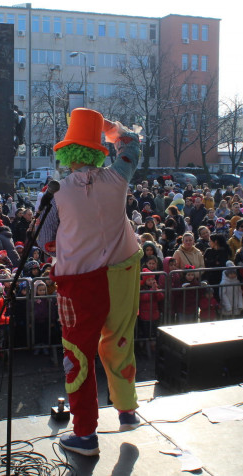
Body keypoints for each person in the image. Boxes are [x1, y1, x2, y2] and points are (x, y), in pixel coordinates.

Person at [37, 108, 142, 456]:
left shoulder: (57, 192)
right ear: (97, 151)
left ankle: (85, 435)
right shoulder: (118, 177)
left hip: (80, 283)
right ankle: (126, 410)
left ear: (67, 154)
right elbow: (131, 143)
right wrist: (109, 128)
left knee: (78, 355)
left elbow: (44, 240)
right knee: (120, 340)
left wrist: (67, 244)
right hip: (123, 272)